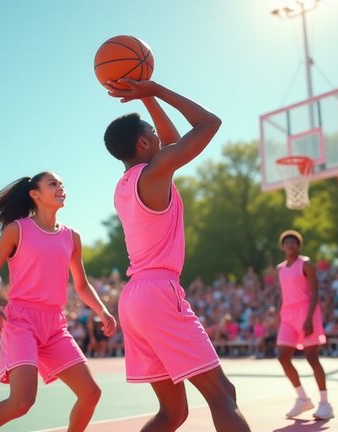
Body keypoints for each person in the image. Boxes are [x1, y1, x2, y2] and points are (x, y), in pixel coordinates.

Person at [103, 78, 250, 431]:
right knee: (223, 394)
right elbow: (208, 124)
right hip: (157, 292)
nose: (160, 135)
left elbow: (170, 143)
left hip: (134, 299)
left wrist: (149, 98)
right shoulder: (155, 174)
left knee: (173, 413)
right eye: (152, 132)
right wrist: (157, 89)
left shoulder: (126, 185)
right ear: (142, 143)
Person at [0, 173, 117, 432]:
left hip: (54, 325)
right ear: (35, 194)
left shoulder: (72, 237)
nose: (61, 187)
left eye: (62, 184)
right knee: (21, 402)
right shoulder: (17, 230)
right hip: (21, 321)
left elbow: (80, 285)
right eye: (53, 184)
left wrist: (101, 310)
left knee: (91, 393)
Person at [275, 230, 334, 420]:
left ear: (298, 246)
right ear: (282, 247)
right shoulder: (280, 268)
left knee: (312, 358)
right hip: (288, 315)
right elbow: (284, 293)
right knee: (283, 356)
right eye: (287, 243)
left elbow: (315, 293)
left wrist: (309, 318)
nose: (290, 245)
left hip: (307, 312)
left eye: (294, 242)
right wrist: (279, 315)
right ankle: (302, 399)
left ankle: (325, 404)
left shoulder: (306, 264)